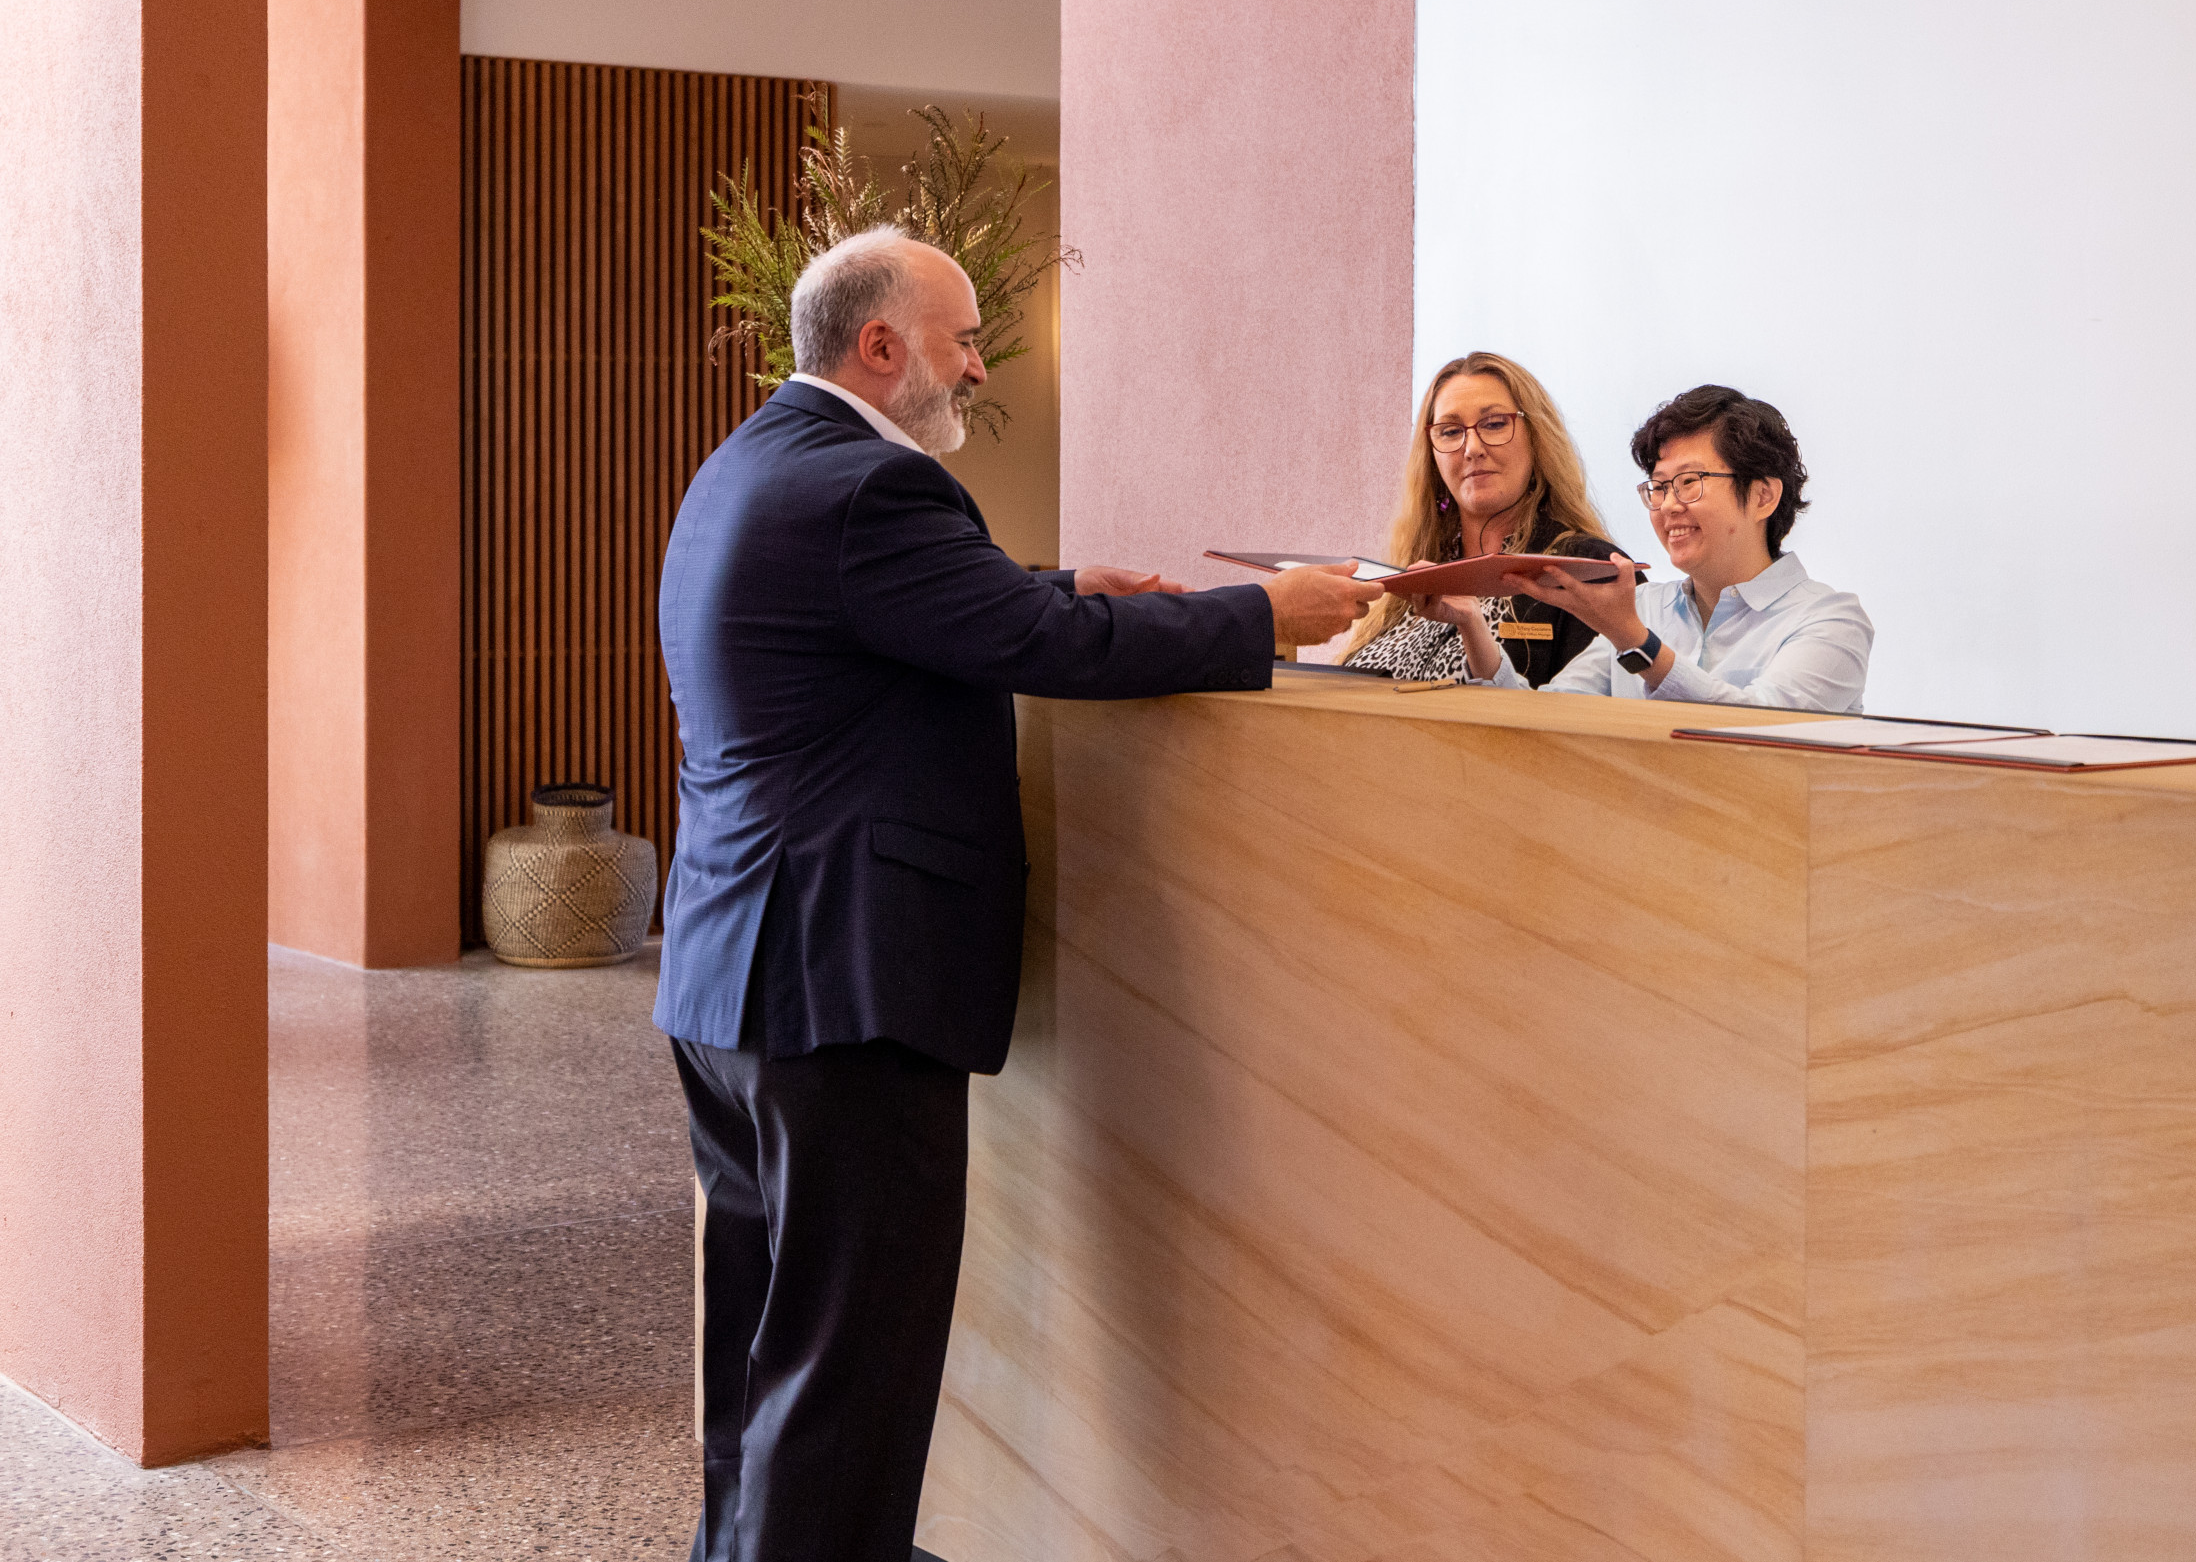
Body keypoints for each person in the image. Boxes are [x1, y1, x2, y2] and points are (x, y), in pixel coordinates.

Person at [655, 224, 1379, 1560]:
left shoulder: (751, 465)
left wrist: (1043, 581)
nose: (981, 366)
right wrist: (1258, 614)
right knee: (846, 1369)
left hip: (733, 981)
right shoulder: (878, 489)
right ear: (882, 347)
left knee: (766, 1350)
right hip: (843, 991)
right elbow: (1045, 646)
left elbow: (915, 615)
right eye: (963, 337)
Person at [1528, 383, 1873, 710]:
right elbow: (1553, 714)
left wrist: (1638, 644)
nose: (1667, 506)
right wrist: (1476, 634)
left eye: (1689, 482)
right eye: (1659, 487)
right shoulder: (1643, 608)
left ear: (1763, 497)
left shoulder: (1831, 619)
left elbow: (1759, 726)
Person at [1340, 351, 1631, 687]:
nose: (1472, 447)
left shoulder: (1588, 568)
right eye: (1450, 431)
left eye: (1494, 425)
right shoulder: (1413, 575)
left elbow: (1593, 723)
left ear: (1537, 438)